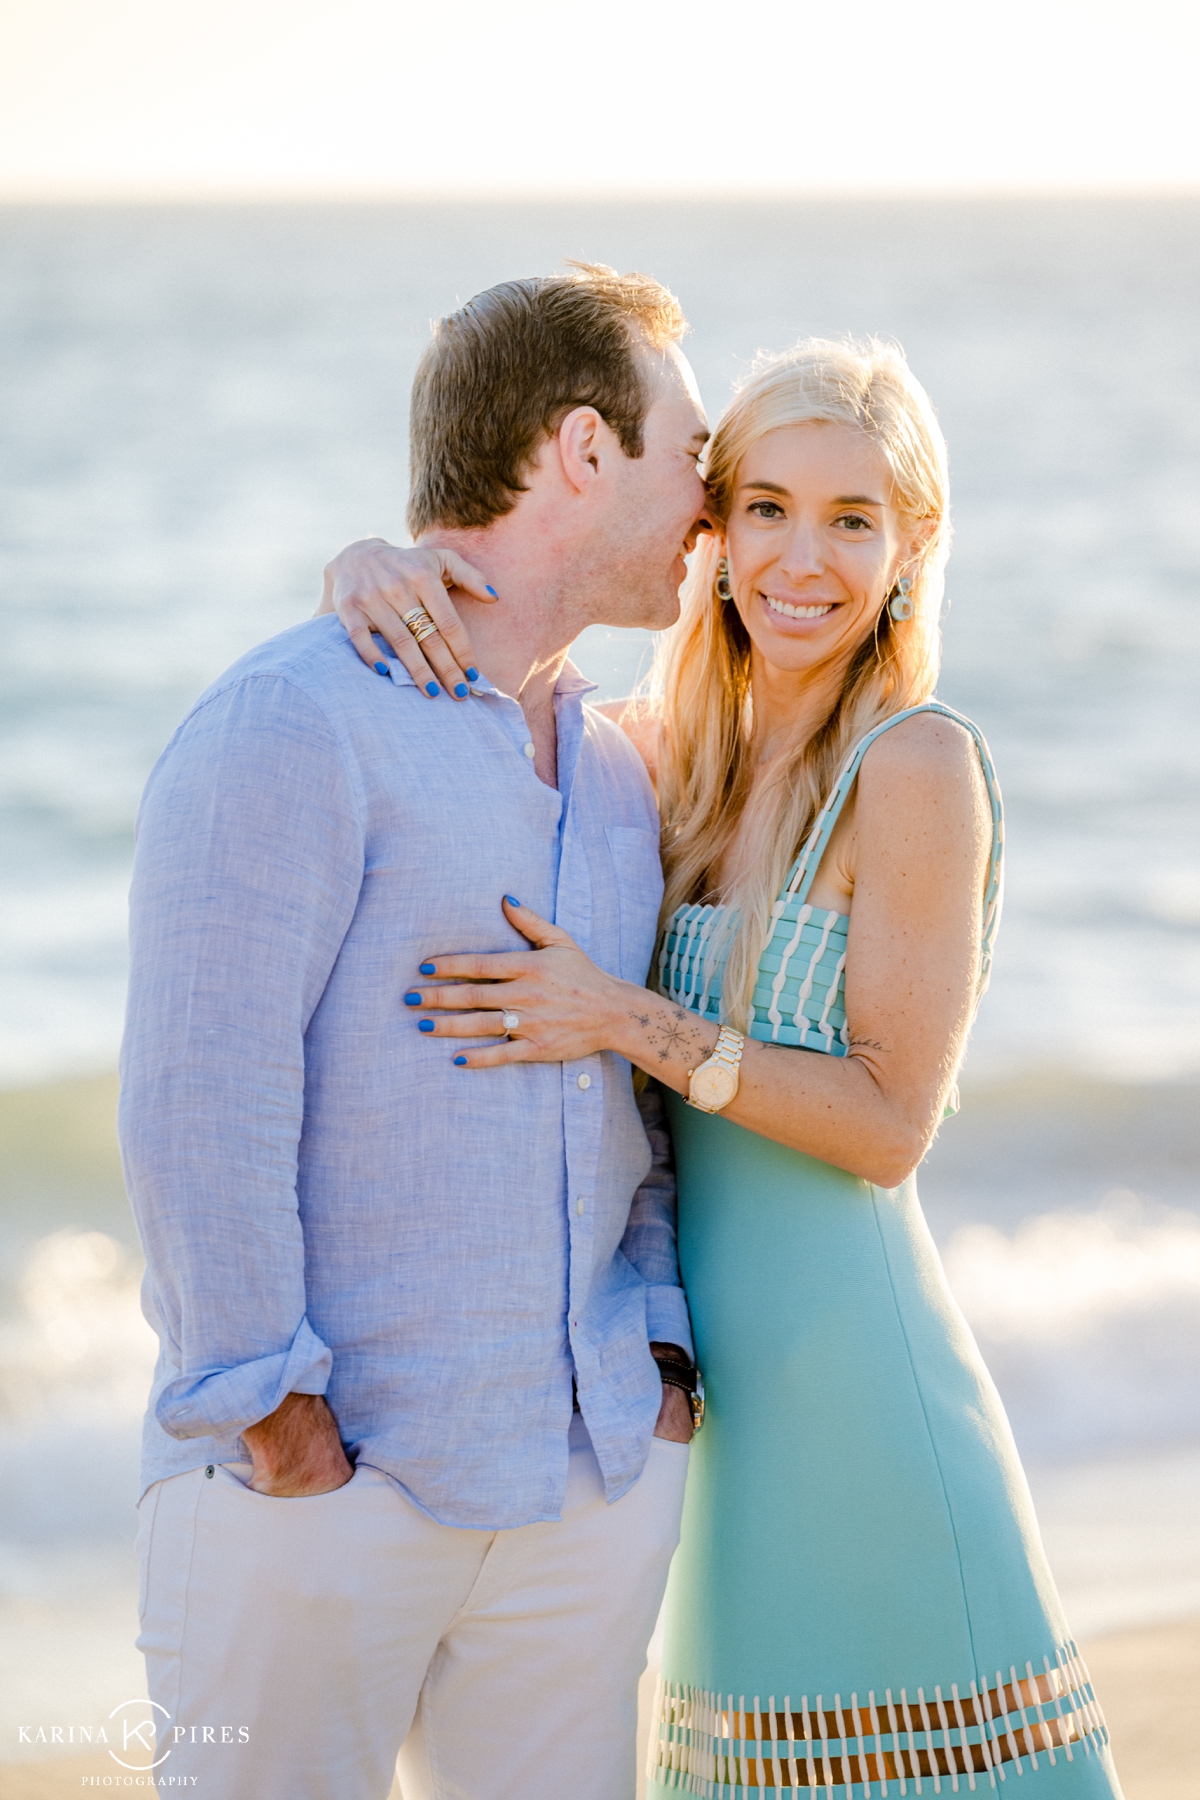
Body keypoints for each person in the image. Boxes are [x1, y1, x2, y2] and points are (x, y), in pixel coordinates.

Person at [323, 338, 1123, 1796]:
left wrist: (625, 1021)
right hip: (715, 1415)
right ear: (712, 526)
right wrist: (373, 569)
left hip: (866, 1392)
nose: (800, 560)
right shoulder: (668, 751)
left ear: (911, 547)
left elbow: (888, 1127)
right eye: (765, 506)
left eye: (851, 519)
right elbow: (503, 685)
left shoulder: (917, 766)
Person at [118, 264, 715, 1800]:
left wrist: (652, 1363)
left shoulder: (623, 768)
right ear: (583, 452)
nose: (709, 507)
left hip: (582, 1485)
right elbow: (200, 1098)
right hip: (326, 1500)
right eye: (687, 458)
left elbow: (631, 1118)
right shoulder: (291, 721)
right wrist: (277, 1424)